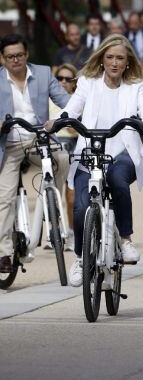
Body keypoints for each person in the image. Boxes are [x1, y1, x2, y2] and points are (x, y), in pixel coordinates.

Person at [51, 34, 143, 287]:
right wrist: (58, 121)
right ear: (101, 59)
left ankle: (126, 240)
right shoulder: (88, 82)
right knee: (80, 206)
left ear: (127, 61)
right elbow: (73, 108)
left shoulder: (136, 86)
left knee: (117, 180)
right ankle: (80, 257)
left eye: (120, 58)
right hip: (89, 152)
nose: (114, 63)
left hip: (123, 153)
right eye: (109, 57)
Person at [0, 34, 70, 273]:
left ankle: (53, 205)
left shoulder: (42, 73)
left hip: (39, 138)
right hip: (8, 144)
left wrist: (70, 116)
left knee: (62, 158)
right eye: (10, 57)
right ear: (3, 59)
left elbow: (65, 101)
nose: (16, 60)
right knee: (4, 197)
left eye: (19, 55)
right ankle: (4, 253)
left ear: (26, 54)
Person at [47, 64, 79, 251]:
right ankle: (55, 231)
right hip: (55, 145)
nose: (63, 82)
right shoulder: (48, 101)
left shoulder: (78, 101)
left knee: (72, 195)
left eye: (68, 79)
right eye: (59, 78)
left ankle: (73, 232)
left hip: (74, 146)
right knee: (54, 191)